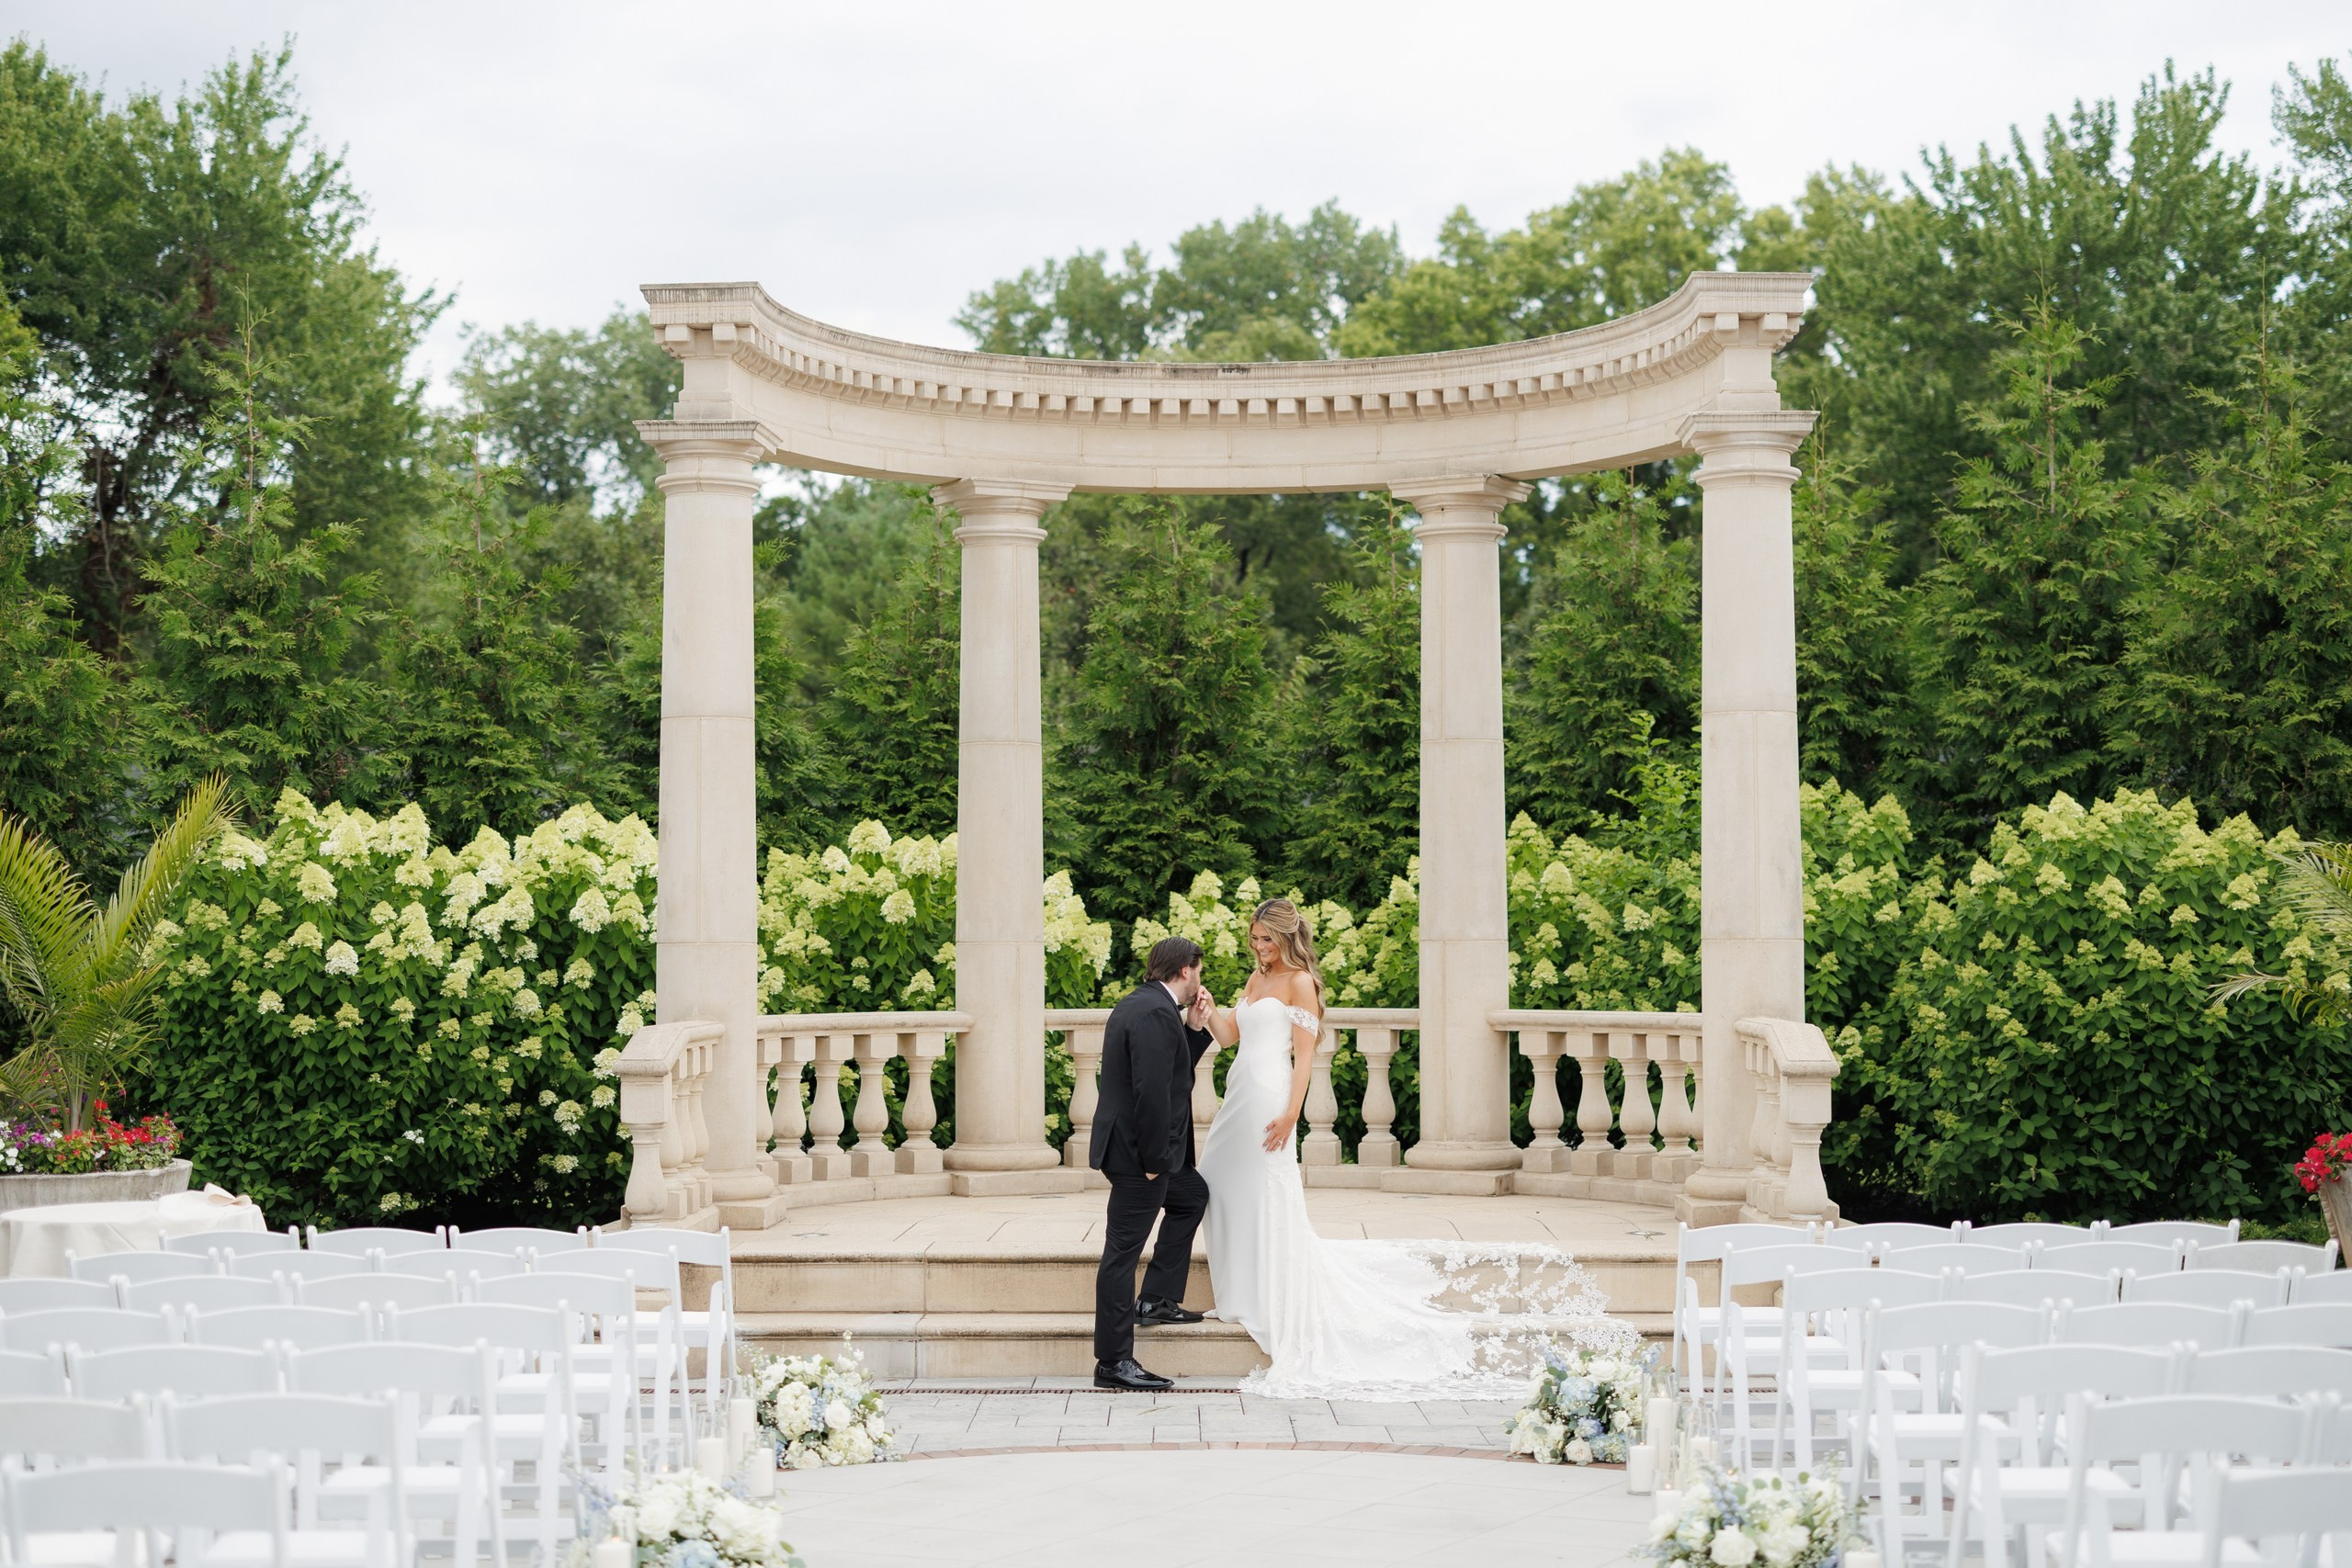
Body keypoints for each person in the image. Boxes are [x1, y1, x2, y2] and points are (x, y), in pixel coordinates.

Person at [1195, 897, 1565, 1398]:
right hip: (1239, 1091)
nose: (1260, 948)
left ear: (1287, 938)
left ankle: (1266, 1295)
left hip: (1270, 1097)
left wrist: (1291, 1113)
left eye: (1268, 940)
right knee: (1219, 1182)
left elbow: (1304, 1059)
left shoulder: (1300, 983)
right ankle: (1237, 1292)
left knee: (1262, 1191)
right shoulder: (1256, 979)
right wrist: (1211, 1010)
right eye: (1255, 939)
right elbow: (1230, 1036)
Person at [1086, 934, 1216, 1391]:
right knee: (1120, 1257)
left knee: (1192, 1196)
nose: (1200, 980)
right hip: (1140, 1154)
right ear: (1185, 971)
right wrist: (1156, 1162)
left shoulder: (1143, 1006)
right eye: (1198, 971)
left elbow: (1171, 1071)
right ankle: (1113, 1363)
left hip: (1143, 1149)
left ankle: (1157, 1299)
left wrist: (1196, 1029)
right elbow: (1153, 1095)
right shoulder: (1156, 1014)